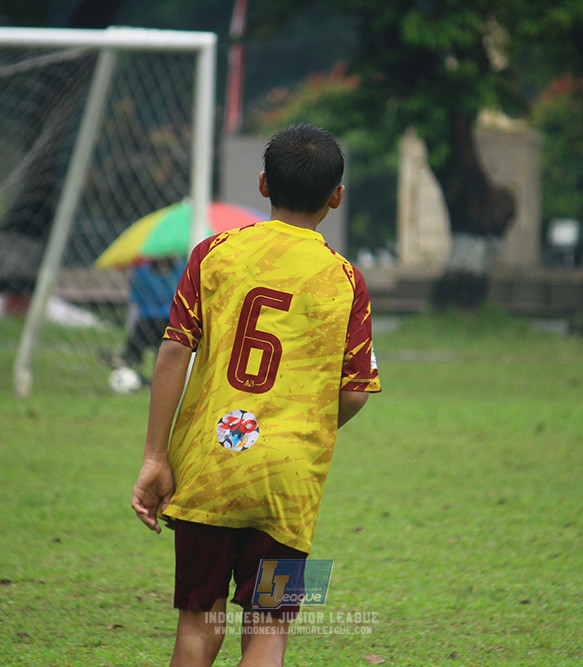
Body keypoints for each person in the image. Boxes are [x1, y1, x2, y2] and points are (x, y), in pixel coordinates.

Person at [131, 123, 381, 667]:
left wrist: (155, 456)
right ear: (336, 197)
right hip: (289, 483)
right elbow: (357, 392)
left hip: (208, 464)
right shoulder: (346, 280)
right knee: (270, 628)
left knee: (199, 621)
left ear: (263, 184)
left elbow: (175, 350)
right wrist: (299, 429)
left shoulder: (213, 253)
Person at [99, 256, 185, 380]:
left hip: (171, 318)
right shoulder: (143, 273)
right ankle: (128, 360)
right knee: (142, 334)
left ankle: (132, 360)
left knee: (165, 343)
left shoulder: (181, 270)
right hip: (148, 318)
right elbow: (135, 301)